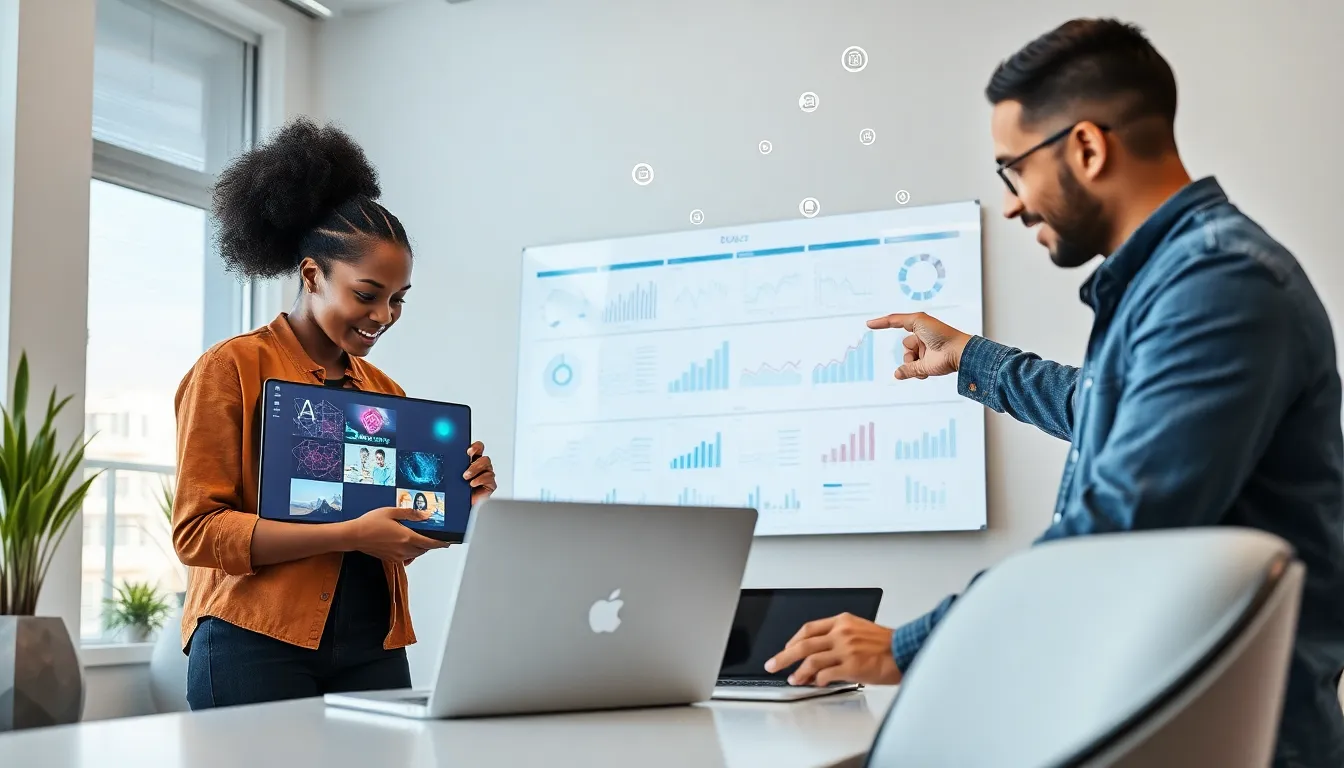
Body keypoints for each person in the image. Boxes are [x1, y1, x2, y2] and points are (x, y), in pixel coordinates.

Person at [765, 18, 1344, 767]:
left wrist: (910, 647)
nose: (1012, 204)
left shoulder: (1220, 284)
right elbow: (1108, 412)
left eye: (1013, 170)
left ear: (1087, 148)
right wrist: (970, 358)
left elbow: (1118, 530)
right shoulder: (1177, 280)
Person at [172, 117, 499, 709]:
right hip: (254, 642)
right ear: (312, 274)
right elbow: (198, 533)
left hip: (373, 643)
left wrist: (460, 499)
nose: (384, 315)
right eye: (367, 294)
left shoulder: (387, 392)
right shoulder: (231, 368)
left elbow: (402, 528)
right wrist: (349, 533)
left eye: (397, 300)